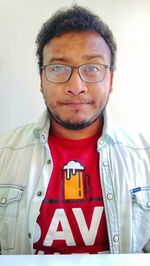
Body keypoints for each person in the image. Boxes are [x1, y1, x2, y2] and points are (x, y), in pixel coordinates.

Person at [0, 5, 150, 255]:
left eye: (92, 68)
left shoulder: (145, 158)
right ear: (41, 79)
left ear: (110, 80)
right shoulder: (4, 156)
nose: (76, 86)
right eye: (58, 68)